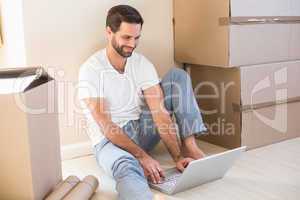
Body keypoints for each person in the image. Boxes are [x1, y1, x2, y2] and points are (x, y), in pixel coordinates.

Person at [78, 4, 207, 200]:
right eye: (126, 37)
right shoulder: (91, 69)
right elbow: (106, 126)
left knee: (177, 77)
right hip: (108, 140)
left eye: (137, 38)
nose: (132, 44)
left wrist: (177, 158)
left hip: (140, 129)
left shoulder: (141, 63)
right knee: (127, 167)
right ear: (109, 32)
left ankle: (189, 145)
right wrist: (143, 157)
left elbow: (160, 114)